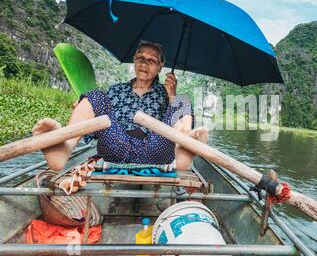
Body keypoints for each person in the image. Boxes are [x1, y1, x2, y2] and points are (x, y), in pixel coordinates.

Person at [32, 41, 208, 172]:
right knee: (95, 95)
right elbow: (98, 120)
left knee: (183, 101)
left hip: (155, 148)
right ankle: (62, 149)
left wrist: (172, 95)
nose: (144, 62)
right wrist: (85, 105)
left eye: (152, 60)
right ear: (134, 60)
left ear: (161, 67)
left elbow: (174, 118)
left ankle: (186, 146)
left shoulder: (167, 92)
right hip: (117, 145)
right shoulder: (116, 90)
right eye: (140, 57)